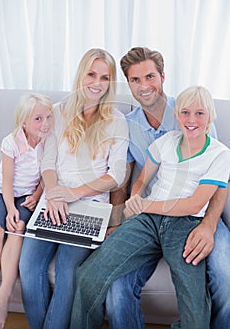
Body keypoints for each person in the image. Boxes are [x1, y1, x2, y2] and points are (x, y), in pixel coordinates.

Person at [70, 85, 230, 329]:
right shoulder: (166, 142)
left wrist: (145, 204)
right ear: (177, 115)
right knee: (87, 275)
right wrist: (134, 196)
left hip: (186, 225)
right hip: (147, 222)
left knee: (195, 313)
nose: (191, 120)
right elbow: (142, 178)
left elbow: (194, 204)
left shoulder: (220, 154)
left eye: (200, 113)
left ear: (210, 117)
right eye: (185, 112)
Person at [105, 47, 230, 329]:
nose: (144, 86)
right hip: (151, 212)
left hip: (198, 212)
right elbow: (124, 181)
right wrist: (117, 219)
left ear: (162, 76)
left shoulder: (193, 111)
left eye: (149, 76)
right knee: (117, 289)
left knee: (226, 276)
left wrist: (209, 225)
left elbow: (220, 181)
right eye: (135, 80)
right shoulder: (128, 124)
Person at [19, 48, 129, 329]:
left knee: (68, 271)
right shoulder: (56, 112)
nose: (96, 82)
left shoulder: (116, 120)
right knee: (29, 268)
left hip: (90, 206)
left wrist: (74, 193)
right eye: (91, 74)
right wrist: (55, 193)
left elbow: (115, 175)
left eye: (104, 77)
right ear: (81, 74)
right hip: (54, 200)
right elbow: (48, 162)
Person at [0, 93, 54, 329]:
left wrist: (38, 195)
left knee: (18, 228)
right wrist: (10, 208)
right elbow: (7, 182)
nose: (45, 123)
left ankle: (4, 295)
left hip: (28, 197)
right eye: (38, 119)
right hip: (4, 193)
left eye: (48, 117)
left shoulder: (50, 141)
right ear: (24, 123)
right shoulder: (11, 142)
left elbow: (49, 172)